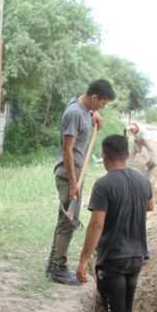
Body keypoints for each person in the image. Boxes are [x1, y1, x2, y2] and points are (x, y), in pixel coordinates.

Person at [76, 135, 154, 312]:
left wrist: (83, 260)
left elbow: (97, 223)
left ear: (105, 156)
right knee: (124, 311)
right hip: (136, 256)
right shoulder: (142, 180)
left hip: (113, 259)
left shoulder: (104, 185)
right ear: (127, 155)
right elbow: (150, 206)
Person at [46, 79, 116, 285]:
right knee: (69, 221)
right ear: (94, 97)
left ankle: (53, 266)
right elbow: (67, 149)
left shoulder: (82, 108)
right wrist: (74, 182)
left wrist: (95, 114)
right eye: (102, 104)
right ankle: (58, 269)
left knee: (66, 220)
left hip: (77, 172)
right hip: (70, 174)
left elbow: (82, 106)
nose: (102, 107)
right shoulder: (75, 113)